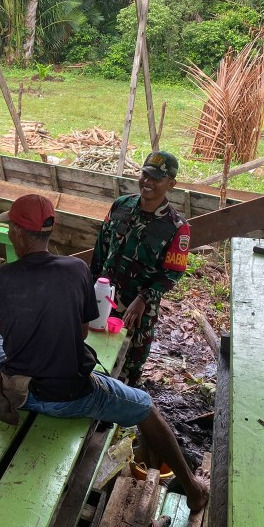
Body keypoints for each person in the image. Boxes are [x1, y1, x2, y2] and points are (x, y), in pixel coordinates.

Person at [0, 194, 208, 512]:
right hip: (72, 396)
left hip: (20, 390)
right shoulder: (77, 269)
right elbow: (82, 331)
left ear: (15, 231)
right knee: (146, 408)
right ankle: (193, 490)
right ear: (49, 231)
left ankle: (7, 347)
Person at [90, 151, 190, 385]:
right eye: (145, 174)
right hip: (103, 298)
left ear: (171, 184)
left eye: (156, 178)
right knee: (93, 354)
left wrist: (144, 299)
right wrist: (91, 284)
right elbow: (101, 248)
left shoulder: (176, 227)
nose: (148, 182)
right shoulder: (121, 206)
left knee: (128, 367)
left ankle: (120, 413)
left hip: (137, 312)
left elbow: (173, 272)